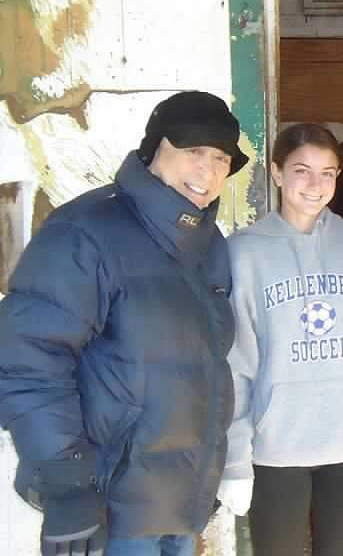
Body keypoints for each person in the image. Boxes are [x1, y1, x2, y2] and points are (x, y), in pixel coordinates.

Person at [0, 91, 249, 556]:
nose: (209, 171)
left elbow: (204, 370)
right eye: (193, 151)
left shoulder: (207, 244)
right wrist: (67, 484)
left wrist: (209, 475)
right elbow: (27, 358)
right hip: (108, 508)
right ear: (155, 148)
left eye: (220, 159)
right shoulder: (86, 232)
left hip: (179, 507)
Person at [215, 123, 343, 556]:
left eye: (328, 173)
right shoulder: (243, 253)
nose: (315, 185)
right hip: (276, 450)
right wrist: (234, 459)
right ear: (277, 173)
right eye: (302, 170)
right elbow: (234, 364)